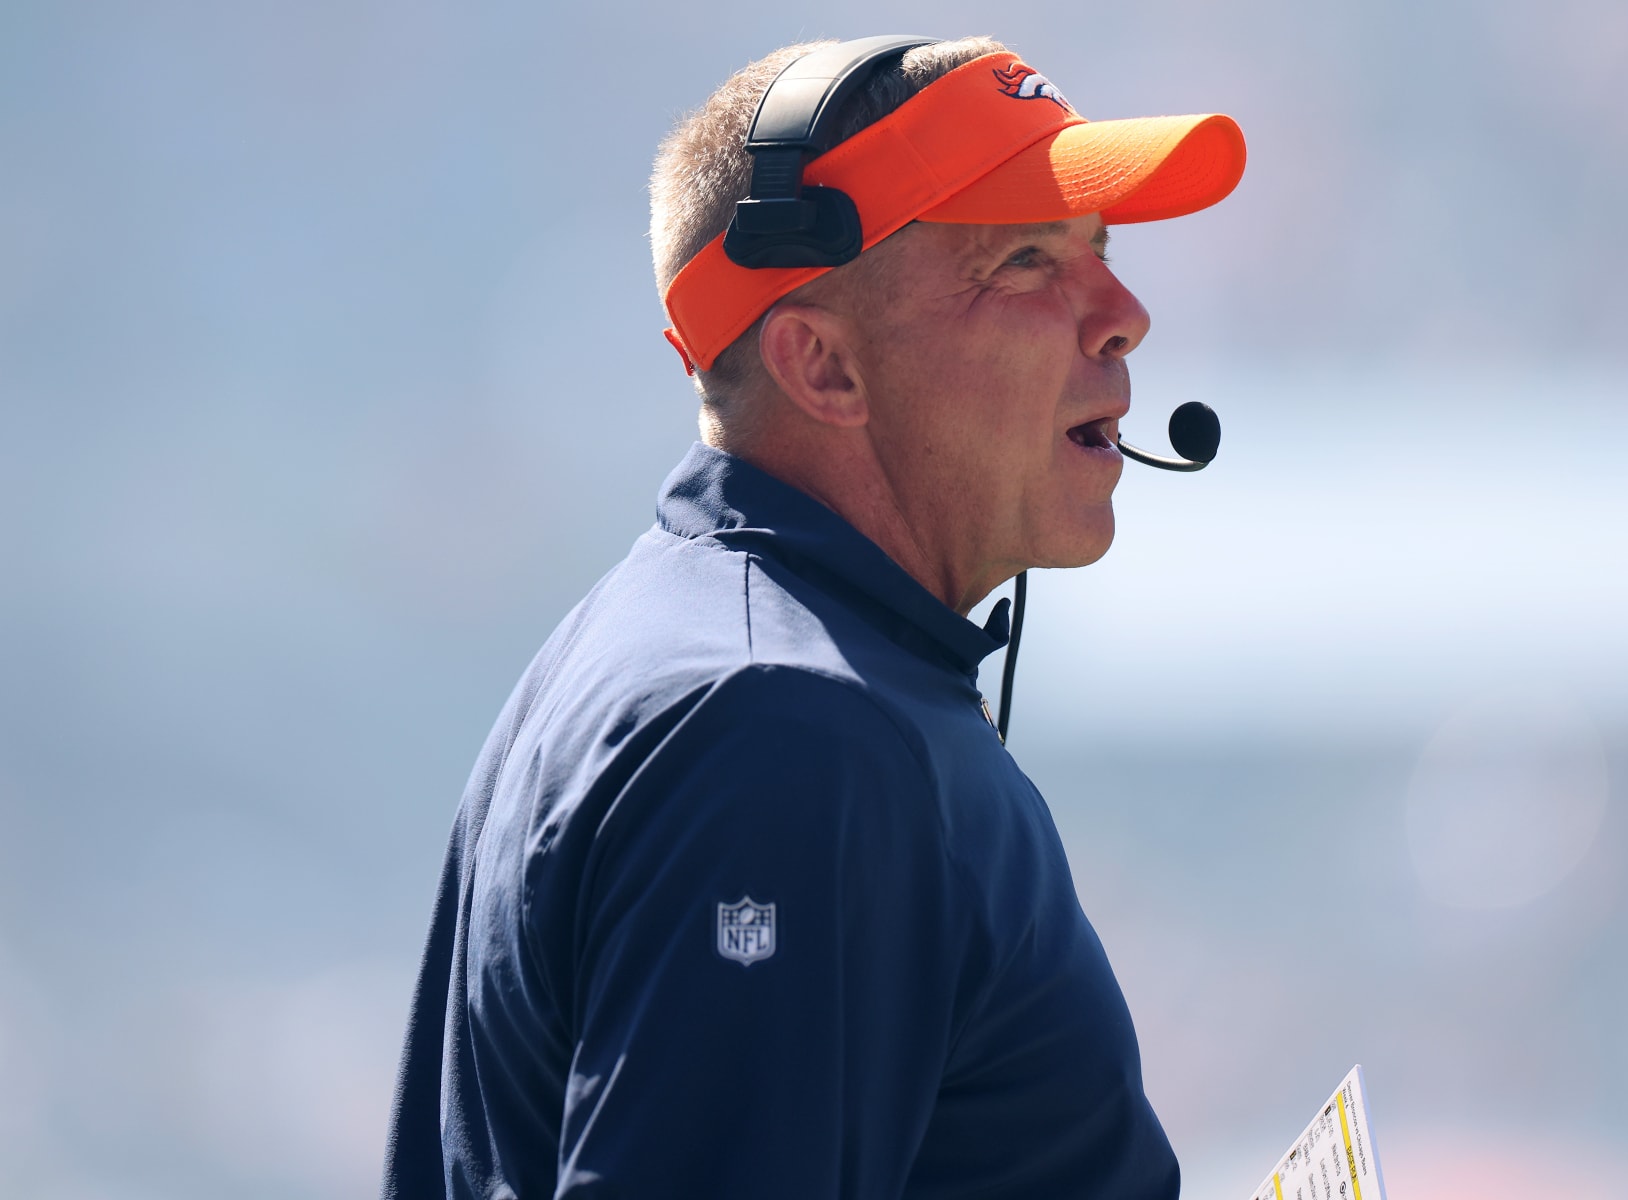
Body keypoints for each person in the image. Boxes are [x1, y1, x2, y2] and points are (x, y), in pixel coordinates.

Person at [384, 35, 1245, 1200]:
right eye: (1030, 261)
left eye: (1102, 251)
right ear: (825, 368)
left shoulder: (718, 656)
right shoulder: (782, 726)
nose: (1124, 315)